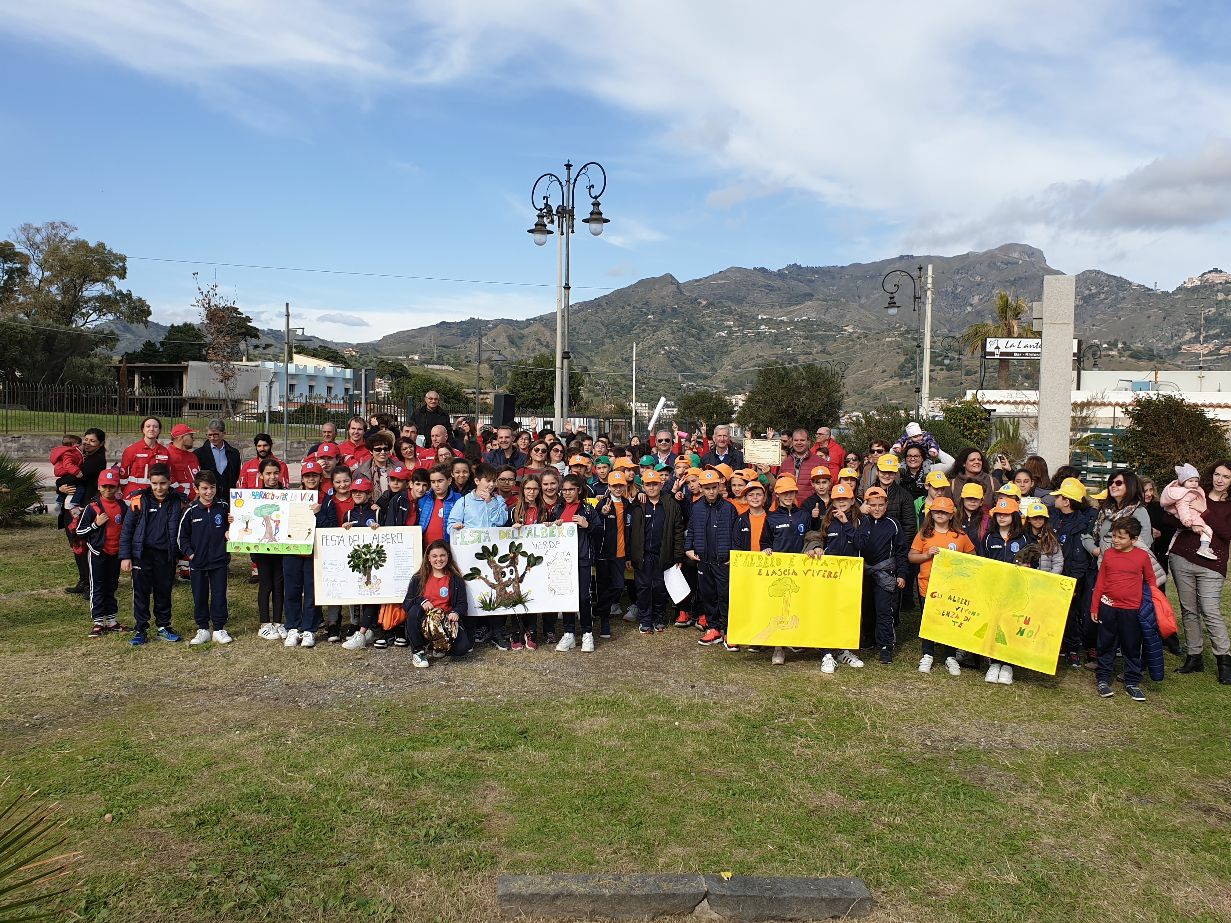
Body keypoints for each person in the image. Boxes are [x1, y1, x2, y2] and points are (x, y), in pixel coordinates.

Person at [1169, 460, 1231, 683]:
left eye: (1226, 476)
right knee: (1188, 610)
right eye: (1217, 474)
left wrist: (1204, 512)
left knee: (1210, 610)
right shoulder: (1195, 493)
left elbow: (1226, 533)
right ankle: (1194, 657)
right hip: (1182, 558)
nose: (1220, 480)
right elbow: (1173, 516)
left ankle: (1224, 659)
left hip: (1212, 564)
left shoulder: (1227, 505)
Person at [1091, 516, 1158, 701]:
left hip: (1132, 610)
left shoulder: (1142, 556)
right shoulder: (1109, 554)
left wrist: (1152, 602)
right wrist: (1095, 606)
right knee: (1106, 644)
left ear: (1134, 539)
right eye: (1114, 536)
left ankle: (1132, 681)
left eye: (1121, 537)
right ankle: (1103, 679)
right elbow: (1101, 580)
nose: (1116, 540)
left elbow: (1151, 580)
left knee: (1131, 645)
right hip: (1107, 607)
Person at [119, 462, 186, 647]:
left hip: (166, 556)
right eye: (155, 484)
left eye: (163, 483)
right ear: (150, 482)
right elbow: (127, 530)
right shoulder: (138, 500)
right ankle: (140, 629)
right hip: (142, 555)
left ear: (169, 481)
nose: (159, 488)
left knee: (163, 592)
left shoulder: (178, 501)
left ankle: (163, 627)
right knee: (141, 593)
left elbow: (184, 529)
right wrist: (125, 556)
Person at [908, 496, 974, 675]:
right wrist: (927, 555)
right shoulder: (924, 534)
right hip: (927, 585)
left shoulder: (960, 535)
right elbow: (912, 557)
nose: (940, 515)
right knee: (929, 621)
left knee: (949, 621)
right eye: (937, 511)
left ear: (951, 514)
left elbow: (973, 557)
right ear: (931, 513)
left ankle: (950, 656)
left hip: (952, 588)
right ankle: (927, 654)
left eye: (944, 512)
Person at [803, 482, 865, 673]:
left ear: (852, 500)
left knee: (847, 611)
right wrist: (816, 547)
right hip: (829, 575)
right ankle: (827, 653)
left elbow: (861, 542)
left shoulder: (861, 519)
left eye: (844, 499)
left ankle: (844, 649)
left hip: (850, 575)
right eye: (837, 500)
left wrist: (846, 523)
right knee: (828, 611)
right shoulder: (828, 519)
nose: (841, 503)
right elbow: (818, 537)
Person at [448, 463, 511, 648]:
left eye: (494, 481)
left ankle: (497, 631)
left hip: (494, 555)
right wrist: (456, 527)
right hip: (470, 557)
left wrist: (490, 503)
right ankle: (469, 631)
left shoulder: (498, 501)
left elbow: (501, 520)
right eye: (488, 481)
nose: (491, 485)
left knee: (496, 588)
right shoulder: (464, 502)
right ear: (477, 481)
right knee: (473, 589)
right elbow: (451, 524)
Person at [853, 485, 908, 664]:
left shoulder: (893, 524)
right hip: (864, 571)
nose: (877, 508)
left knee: (884, 609)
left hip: (885, 573)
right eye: (873, 504)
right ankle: (868, 639)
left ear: (886, 505)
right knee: (866, 607)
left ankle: (886, 645)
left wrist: (902, 574)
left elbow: (901, 550)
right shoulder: (859, 521)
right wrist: (859, 513)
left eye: (880, 505)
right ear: (866, 504)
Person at [687, 469, 739, 651]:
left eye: (713, 487)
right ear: (701, 488)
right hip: (704, 560)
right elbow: (691, 529)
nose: (710, 491)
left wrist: (734, 553)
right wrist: (688, 548)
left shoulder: (729, 508)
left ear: (719, 487)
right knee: (708, 595)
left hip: (723, 561)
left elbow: (735, 535)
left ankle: (728, 630)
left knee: (724, 596)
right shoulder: (696, 507)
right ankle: (713, 628)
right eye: (707, 488)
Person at [178, 470, 233, 646]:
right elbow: (182, 537)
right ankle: (202, 628)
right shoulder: (190, 511)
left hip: (219, 561)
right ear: (196, 489)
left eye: (212, 487)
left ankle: (218, 628)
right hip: (198, 562)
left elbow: (231, 528)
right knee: (200, 595)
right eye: (204, 488)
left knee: (219, 594)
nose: (209, 492)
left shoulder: (223, 506)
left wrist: (232, 523)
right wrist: (191, 554)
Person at [980, 495, 1028, 684]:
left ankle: (1008, 665)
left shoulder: (1024, 538)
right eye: (999, 514)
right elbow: (983, 561)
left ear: (1014, 516)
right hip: (994, 589)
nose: (1002, 518)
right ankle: (993, 662)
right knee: (995, 623)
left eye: (1006, 515)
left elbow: (1032, 563)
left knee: (1011, 625)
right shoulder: (988, 538)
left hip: (1016, 590)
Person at [75, 467, 128, 636]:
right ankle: (98, 622)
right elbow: (79, 531)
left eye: (112, 486)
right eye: (104, 486)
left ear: (117, 487)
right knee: (97, 587)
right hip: (98, 552)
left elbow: (127, 529)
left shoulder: (122, 506)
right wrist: (95, 525)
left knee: (111, 586)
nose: (108, 489)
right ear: (99, 487)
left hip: (115, 553)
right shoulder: (92, 507)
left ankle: (112, 621)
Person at [1050, 477, 1097, 667]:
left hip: (1071, 576)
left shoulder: (1081, 523)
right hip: (1052, 572)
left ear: (1067, 501)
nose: (1055, 499)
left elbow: (1079, 557)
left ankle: (1072, 647)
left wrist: (1074, 580)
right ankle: (1057, 643)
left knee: (1072, 612)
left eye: (1059, 496)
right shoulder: (1053, 517)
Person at [404, 540, 474, 667]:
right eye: (434, 556)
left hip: (446, 621)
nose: (439, 559)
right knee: (414, 611)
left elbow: (462, 604)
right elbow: (407, 602)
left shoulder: (455, 578)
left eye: (442, 555)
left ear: (448, 556)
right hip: (425, 621)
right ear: (428, 558)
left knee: (462, 649)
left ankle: (438, 646)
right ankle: (418, 652)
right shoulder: (418, 578)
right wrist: (422, 601)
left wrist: (456, 612)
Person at [554, 475, 603, 653]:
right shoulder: (558, 508)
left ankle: (587, 632)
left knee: (583, 596)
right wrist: (553, 525)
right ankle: (569, 633)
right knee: (566, 596)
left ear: (579, 490)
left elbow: (599, 532)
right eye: (564, 490)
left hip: (582, 558)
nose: (567, 493)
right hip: (563, 561)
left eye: (571, 489)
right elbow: (551, 533)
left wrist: (587, 524)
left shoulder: (588, 509)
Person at [282, 461, 324, 650]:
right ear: (302, 478)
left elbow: (329, 525)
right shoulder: (291, 497)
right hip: (292, 549)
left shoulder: (325, 498)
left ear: (320, 477)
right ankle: (292, 627)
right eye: (307, 476)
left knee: (311, 591)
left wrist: (319, 514)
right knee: (291, 588)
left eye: (314, 475)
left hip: (313, 551)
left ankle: (309, 628)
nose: (311, 479)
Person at [63, 427, 108, 595]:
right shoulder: (82, 456)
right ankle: (83, 580)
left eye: (93, 441)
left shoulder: (96, 460)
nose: (88, 443)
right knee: (75, 543)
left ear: (101, 443)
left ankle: (91, 584)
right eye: (86, 439)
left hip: (84, 507)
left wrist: (60, 482)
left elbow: (75, 477)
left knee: (84, 544)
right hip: (73, 506)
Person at [340, 476, 383, 650]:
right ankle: (363, 627)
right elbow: (340, 538)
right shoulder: (349, 514)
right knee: (357, 595)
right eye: (355, 491)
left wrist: (379, 527)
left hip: (375, 561)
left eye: (362, 491)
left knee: (371, 594)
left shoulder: (377, 512)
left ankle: (363, 632)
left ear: (369, 493)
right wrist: (343, 529)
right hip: (356, 561)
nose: (358, 494)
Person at [593, 469, 634, 640]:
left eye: (621, 486)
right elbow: (594, 526)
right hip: (604, 553)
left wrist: (630, 555)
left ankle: (596, 609)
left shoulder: (628, 504)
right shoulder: (602, 504)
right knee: (603, 586)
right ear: (609, 486)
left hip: (621, 553)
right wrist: (602, 515)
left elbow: (631, 531)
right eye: (614, 486)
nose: (618, 489)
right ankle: (604, 621)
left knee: (618, 586)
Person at [252, 459, 288, 641]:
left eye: (275, 473)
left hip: (282, 548)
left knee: (279, 584)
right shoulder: (253, 496)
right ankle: (264, 623)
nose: (272, 477)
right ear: (261, 475)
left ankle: (278, 622)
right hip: (262, 548)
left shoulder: (287, 494)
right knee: (265, 583)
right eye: (268, 473)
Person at [1085, 469, 1152, 560]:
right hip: (1101, 564)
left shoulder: (1139, 511)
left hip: (1126, 564)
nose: (1113, 485)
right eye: (1111, 483)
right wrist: (1094, 550)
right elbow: (1088, 535)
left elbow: (1145, 543)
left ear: (1130, 486)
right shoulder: (1104, 510)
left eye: (1119, 483)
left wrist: (1109, 553)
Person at [1162, 463, 1218, 560]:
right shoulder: (1185, 494)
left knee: (1177, 533)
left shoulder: (1190, 491)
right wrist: (1187, 520)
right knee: (1208, 530)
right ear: (1183, 482)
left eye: (1196, 481)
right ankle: (1204, 548)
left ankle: (1170, 549)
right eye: (1190, 481)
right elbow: (1182, 507)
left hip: (1191, 517)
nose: (1194, 483)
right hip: (1191, 518)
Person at [119, 416, 171, 500]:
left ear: (159, 430)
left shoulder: (164, 451)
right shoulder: (131, 450)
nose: (151, 429)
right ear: (143, 429)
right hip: (134, 495)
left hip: (155, 495)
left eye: (155, 427)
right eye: (148, 426)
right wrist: (125, 490)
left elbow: (168, 474)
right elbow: (123, 475)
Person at [194, 419, 242, 499]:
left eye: (216, 435)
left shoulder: (234, 453)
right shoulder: (199, 453)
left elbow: (236, 474)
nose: (212, 438)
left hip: (229, 496)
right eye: (209, 435)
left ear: (223, 434)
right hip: (208, 497)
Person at [778, 428, 827, 503]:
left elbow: (826, 487)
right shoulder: (785, 463)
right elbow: (779, 486)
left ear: (808, 441)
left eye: (802, 440)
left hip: (811, 508)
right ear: (792, 442)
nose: (799, 443)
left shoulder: (820, 462)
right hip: (789, 507)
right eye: (796, 440)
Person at [1022, 499, 1063, 574]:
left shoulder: (1051, 537)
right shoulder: (1022, 536)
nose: (1038, 520)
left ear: (1045, 519)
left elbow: (1058, 562)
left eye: (1041, 517)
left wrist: (1050, 577)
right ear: (1028, 519)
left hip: (1046, 579)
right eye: (1034, 517)